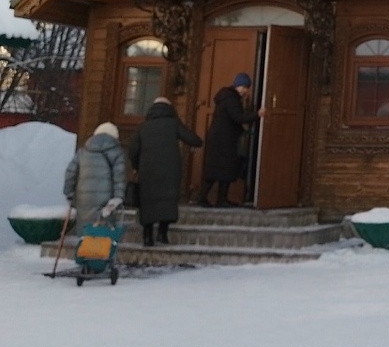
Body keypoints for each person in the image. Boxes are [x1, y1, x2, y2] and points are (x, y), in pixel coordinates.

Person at [129, 96, 202, 246]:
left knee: (147, 201)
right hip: (170, 169)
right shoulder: (173, 123)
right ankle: (162, 234)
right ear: (169, 108)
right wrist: (198, 142)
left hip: (148, 169)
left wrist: (136, 166)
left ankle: (147, 236)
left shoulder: (143, 126)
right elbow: (193, 139)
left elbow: (133, 150)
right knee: (167, 200)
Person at [199, 72, 263, 207]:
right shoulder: (232, 99)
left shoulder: (226, 97)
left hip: (220, 139)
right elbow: (237, 117)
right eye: (244, 87)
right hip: (225, 140)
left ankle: (206, 197)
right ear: (238, 85)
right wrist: (256, 115)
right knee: (224, 169)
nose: (245, 91)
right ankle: (219, 199)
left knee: (216, 170)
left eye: (247, 88)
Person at [63, 122, 126, 234]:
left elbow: (70, 172)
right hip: (106, 199)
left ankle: (84, 249)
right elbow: (119, 176)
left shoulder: (83, 151)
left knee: (85, 230)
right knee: (103, 232)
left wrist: (69, 193)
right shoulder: (117, 152)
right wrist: (118, 197)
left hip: (83, 199)